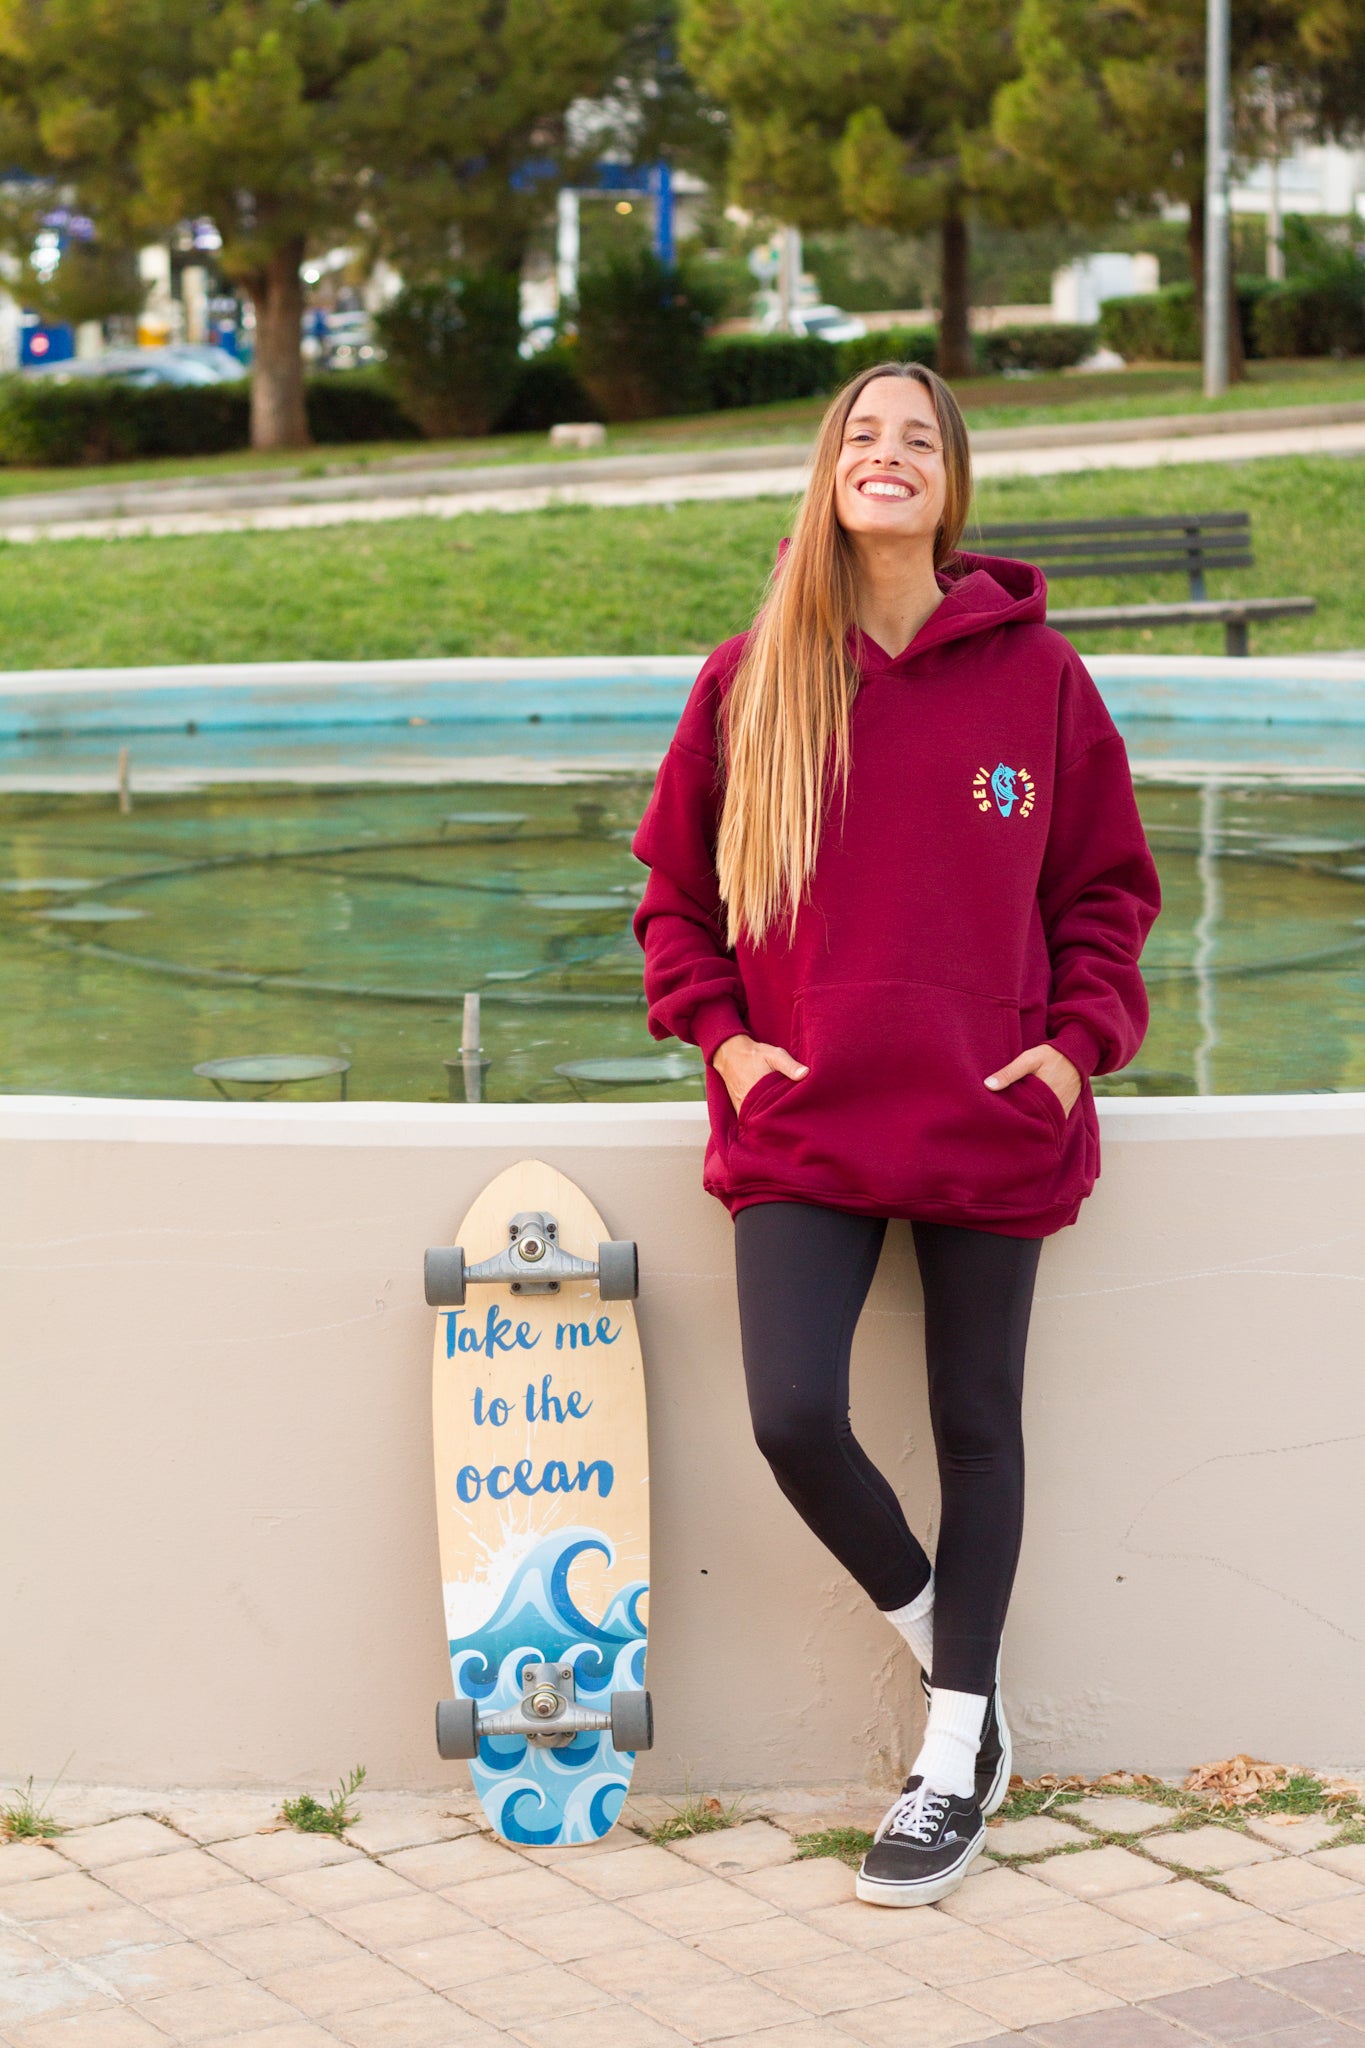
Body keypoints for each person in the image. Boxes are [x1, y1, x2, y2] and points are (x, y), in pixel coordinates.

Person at [631, 361, 1161, 1906]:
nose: (888, 453)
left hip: (990, 1114)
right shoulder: (751, 679)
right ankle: (963, 1682)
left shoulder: (1039, 679)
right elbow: (673, 900)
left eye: (917, 437)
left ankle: (945, 1763)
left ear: (950, 482)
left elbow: (1105, 894)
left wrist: (1069, 1052)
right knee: (793, 1414)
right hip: (805, 1116)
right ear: (827, 472)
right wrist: (729, 1045)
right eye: (861, 434)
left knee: (977, 1426)